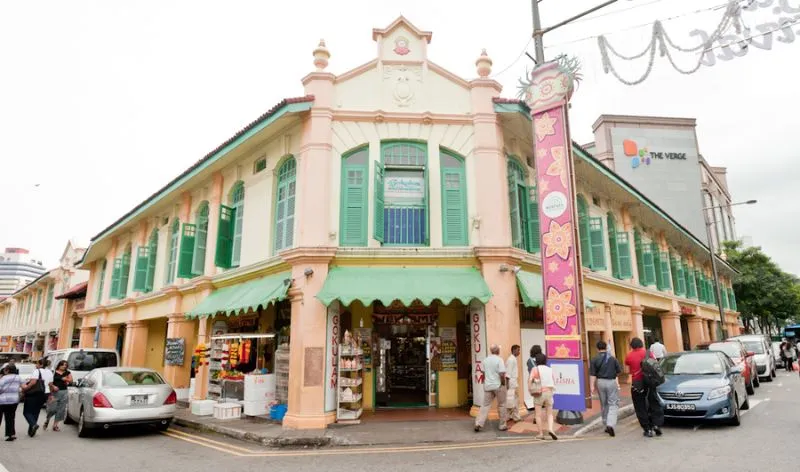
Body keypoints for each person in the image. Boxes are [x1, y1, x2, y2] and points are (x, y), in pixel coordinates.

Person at [625, 337, 664, 438]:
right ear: (642, 344)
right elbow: (655, 364)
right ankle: (656, 424)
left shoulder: (629, 355)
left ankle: (647, 429)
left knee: (640, 406)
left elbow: (627, 365)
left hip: (637, 383)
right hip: (650, 381)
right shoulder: (648, 353)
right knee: (654, 402)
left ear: (631, 346)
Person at [590, 340, 622, 437]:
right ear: (606, 348)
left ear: (597, 349)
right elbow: (618, 371)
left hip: (600, 382)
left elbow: (592, 374)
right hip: (611, 382)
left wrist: (591, 386)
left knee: (603, 404)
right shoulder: (612, 358)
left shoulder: (594, 359)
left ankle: (605, 424)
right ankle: (610, 424)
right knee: (613, 403)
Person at [474, 344, 508, 432]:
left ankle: (478, 423)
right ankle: (502, 425)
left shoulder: (485, 360)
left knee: (485, 405)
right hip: (498, 385)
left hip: (488, 386)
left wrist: (486, 383)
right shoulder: (499, 360)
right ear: (497, 351)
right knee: (502, 404)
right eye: (499, 350)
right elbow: (502, 374)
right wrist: (503, 384)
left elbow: (484, 374)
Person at [529, 353, 557, 440]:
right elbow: (553, 381)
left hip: (539, 393)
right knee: (549, 414)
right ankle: (551, 429)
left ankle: (541, 434)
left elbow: (530, 380)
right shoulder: (549, 369)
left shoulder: (535, 369)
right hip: (549, 392)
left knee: (538, 415)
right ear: (545, 360)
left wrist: (530, 389)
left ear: (536, 361)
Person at [21, 360, 48, 437]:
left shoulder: (37, 371)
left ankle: (33, 424)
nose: (36, 365)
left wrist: (26, 388)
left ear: (41, 364)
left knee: (27, 412)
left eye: (37, 363)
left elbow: (33, 382)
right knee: (35, 412)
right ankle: (31, 432)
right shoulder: (49, 372)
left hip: (33, 394)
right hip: (43, 394)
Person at [44, 360, 72, 432]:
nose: (64, 366)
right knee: (52, 409)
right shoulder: (53, 372)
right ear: (59, 365)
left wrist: (65, 379)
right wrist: (53, 386)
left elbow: (71, 380)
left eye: (65, 365)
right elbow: (48, 381)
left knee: (61, 409)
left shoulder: (67, 373)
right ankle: (47, 419)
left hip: (64, 392)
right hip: (54, 393)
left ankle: (55, 425)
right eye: (62, 365)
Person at [0, 364, 22, 441]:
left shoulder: (4, 378)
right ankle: (11, 435)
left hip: (2, 401)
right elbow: (23, 386)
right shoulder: (18, 377)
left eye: (5, 370)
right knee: (10, 418)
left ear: (8, 370)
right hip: (13, 401)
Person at [505, 345, 522, 422]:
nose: (519, 352)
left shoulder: (513, 359)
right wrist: (507, 385)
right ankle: (515, 417)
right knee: (512, 401)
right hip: (511, 384)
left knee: (512, 400)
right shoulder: (511, 360)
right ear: (514, 350)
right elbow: (508, 373)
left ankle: (510, 416)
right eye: (518, 350)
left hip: (513, 383)